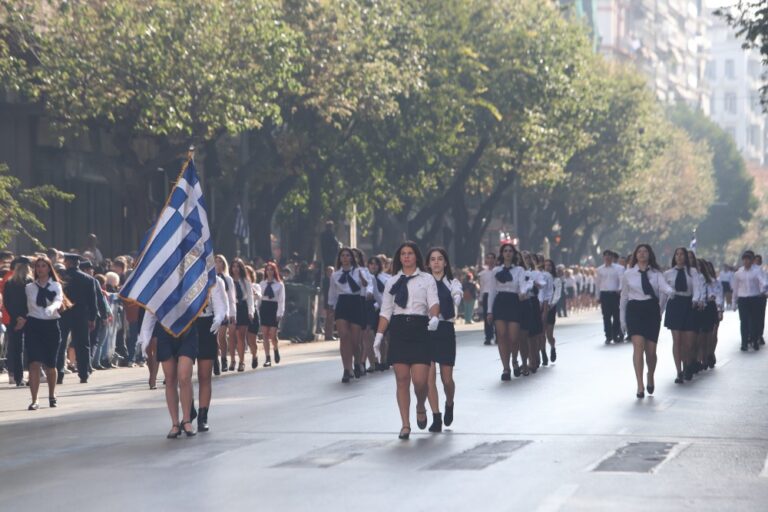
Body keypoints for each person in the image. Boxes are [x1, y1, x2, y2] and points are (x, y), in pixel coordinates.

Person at [373, 241, 439, 440]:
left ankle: (420, 405)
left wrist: (434, 317)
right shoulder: (392, 282)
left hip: (420, 328)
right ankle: (405, 425)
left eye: (410, 253)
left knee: (420, 382)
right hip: (399, 329)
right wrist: (378, 336)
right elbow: (385, 311)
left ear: (416, 257)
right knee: (402, 379)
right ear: (399, 258)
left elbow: (434, 303)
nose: (407, 257)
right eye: (403, 254)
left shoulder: (427, 279)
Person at [620, 244, 676, 399]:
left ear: (650, 255)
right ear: (635, 255)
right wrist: (622, 320)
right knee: (638, 347)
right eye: (639, 251)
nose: (642, 254)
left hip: (651, 310)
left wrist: (671, 292)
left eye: (645, 251)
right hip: (634, 310)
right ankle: (639, 385)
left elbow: (664, 287)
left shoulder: (656, 274)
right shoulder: (628, 274)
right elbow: (624, 298)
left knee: (651, 353)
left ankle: (650, 374)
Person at [138, 312, 199, 438]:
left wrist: (221, 313)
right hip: (165, 331)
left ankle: (186, 420)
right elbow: (151, 310)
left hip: (187, 329)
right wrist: (144, 338)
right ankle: (175, 424)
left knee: (184, 376)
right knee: (170, 379)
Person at [22, 256, 69, 410]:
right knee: (34, 363)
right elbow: (25, 306)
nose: (40, 269)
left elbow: (58, 299)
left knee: (50, 364)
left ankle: (52, 394)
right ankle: (35, 400)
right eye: (38, 266)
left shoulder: (55, 285)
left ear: (49, 269)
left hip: (51, 325)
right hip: (34, 325)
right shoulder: (29, 287)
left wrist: (52, 307)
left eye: (43, 266)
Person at [425, 247, 462, 433]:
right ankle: (436, 416)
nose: (436, 262)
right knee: (429, 378)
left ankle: (449, 403)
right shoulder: (423, 283)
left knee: (447, 380)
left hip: (445, 329)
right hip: (427, 330)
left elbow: (457, 295)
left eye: (440, 259)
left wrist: (455, 298)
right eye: (433, 259)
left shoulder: (452, 282)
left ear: (445, 263)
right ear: (428, 263)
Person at [486, 243, 531, 380]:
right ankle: (506, 368)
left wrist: (523, 292)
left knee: (513, 337)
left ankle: (515, 360)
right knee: (501, 335)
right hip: (500, 302)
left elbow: (523, 286)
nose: (507, 253)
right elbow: (492, 292)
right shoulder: (495, 271)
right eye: (505, 251)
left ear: (514, 254)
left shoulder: (519, 270)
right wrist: (489, 311)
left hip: (514, 302)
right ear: (501, 253)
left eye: (510, 251)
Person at [193, 274, 228, 432]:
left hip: (207, 324)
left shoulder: (214, 280)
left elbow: (221, 306)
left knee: (204, 375)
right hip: (188, 326)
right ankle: (189, 410)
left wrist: (218, 319)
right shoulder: (184, 275)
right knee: (183, 375)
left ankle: (202, 415)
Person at [328, 248, 368, 382]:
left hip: (356, 302)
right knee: (344, 336)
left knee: (355, 341)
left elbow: (366, 286)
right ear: (339, 259)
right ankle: (347, 368)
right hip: (342, 303)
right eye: (342, 256)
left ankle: (357, 361)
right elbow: (332, 292)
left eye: (347, 255)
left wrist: (363, 280)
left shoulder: (359, 271)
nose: (345, 258)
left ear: (351, 258)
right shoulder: (335, 275)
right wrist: (331, 307)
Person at [57, 253, 97, 384]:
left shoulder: (61, 278)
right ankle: (83, 373)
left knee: (61, 344)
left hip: (64, 314)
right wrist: (92, 317)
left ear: (67, 262)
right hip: (81, 315)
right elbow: (93, 301)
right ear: (78, 263)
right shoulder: (88, 279)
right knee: (83, 344)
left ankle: (60, 373)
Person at [662, 248, 701, 384]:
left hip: (689, 304)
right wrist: (659, 310)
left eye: (682, 254)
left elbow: (697, 288)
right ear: (674, 257)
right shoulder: (668, 274)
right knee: (677, 340)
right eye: (677, 254)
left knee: (689, 343)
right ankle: (679, 371)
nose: (679, 257)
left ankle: (688, 364)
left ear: (686, 257)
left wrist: (695, 299)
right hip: (674, 305)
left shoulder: (692, 272)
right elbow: (663, 293)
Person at [4, 257, 33, 386]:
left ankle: (18, 377)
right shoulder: (30, 282)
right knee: (31, 348)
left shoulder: (9, 283)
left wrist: (17, 317)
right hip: (30, 319)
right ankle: (32, 375)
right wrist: (25, 317)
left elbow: (7, 303)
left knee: (17, 349)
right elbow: (32, 302)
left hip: (14, 319)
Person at [731, 250, 766, 352]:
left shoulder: (757, 271)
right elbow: (735, 289)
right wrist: (734, 302)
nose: (746, 262)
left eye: (748, 260)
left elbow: (762, 281)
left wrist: (763, 288)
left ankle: (755, 341)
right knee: (744, 321)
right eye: (744, 260)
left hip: (754, 298)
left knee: (754, 321)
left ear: (751, 261)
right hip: (743, 299)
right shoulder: (738, 273)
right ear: (742, 261)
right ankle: (744, 342)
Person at [229, 258, 254, 372]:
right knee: (232, 335)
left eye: (238, 266)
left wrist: (250, 311)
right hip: (232, 308)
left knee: (241, 336)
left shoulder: (245, 281)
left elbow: (250, 297)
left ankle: (241, 361)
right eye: (233, 266)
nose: (235, 269)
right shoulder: (228, 280)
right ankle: (232, 360)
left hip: (243, 308)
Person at [365, 256, 390, 372]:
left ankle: (383, 360)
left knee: (382, 336)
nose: (373, 266)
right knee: (369, 335)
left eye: (376, 264)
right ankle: (373, 362)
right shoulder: (366, 277)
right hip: (369, 309)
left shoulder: (386, 278)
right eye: (371, 264)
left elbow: (387, 295)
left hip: (382, 308)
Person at [259, 261, 285, 368]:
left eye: (271, 269)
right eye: (268, 269)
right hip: (264, 308)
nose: (269, 271)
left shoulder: (279, 285)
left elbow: (281, 300)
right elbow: (259, 299)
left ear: (275, 271)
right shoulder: (262, 284)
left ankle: (275, 348)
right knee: (265, 334)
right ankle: (267, 358)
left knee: (273, 335)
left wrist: (280, 313)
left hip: (274, 308)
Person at [595, 250, 624, 344]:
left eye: (609, 256)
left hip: (615, 294)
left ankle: (615, 334)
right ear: (603, 258)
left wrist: (620, 289)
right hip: (604, 294)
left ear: (612, 258)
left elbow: (621, 280)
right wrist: (597, 296)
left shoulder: (619, 268)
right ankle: (608, 335)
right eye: (605, 256)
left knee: (616, 315)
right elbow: (597, 284)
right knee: (606, 316)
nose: (607, 258)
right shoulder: (599, 269)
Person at [214, 255, 237, 374]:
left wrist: (232, 313)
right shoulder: (211, 278)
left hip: (224, 310)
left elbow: (231, 298)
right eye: (216, 262)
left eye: (220, 262)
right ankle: (215, 360)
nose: (218, 264)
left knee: (222, 336)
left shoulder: (228, 279)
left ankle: (224, 359)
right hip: (213, 311)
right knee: (214, 338)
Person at [542, 259, 561, 364]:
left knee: (549, 334)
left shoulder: (556, 280)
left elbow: (557, 294)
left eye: (549, 265)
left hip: (550, 308)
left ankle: (552, 347)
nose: (547, 267)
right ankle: (543, 353)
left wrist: (551, 304)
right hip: (541, 308)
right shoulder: (541, 278)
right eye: (545, 265)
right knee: (541, 333)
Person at [245, 265, 262, 369]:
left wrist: (249, 286)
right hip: (243, 313)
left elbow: (258, 296)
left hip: (253, 313)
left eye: (247, 273)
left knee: (252, 339)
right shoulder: (240, 285)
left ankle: (254, 355)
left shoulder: (256, 286)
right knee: (243, 336)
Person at [477, 253, 497, 345]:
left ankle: (498, 335)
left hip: (496, 295)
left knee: (497, 317)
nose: (490, 260)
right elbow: (482, 286)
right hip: (486, 294)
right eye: (488, 258)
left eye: (492, 258)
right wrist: (480, 298)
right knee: (487, 317)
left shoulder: (497, 271)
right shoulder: (483, 274)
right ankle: (488, 337)